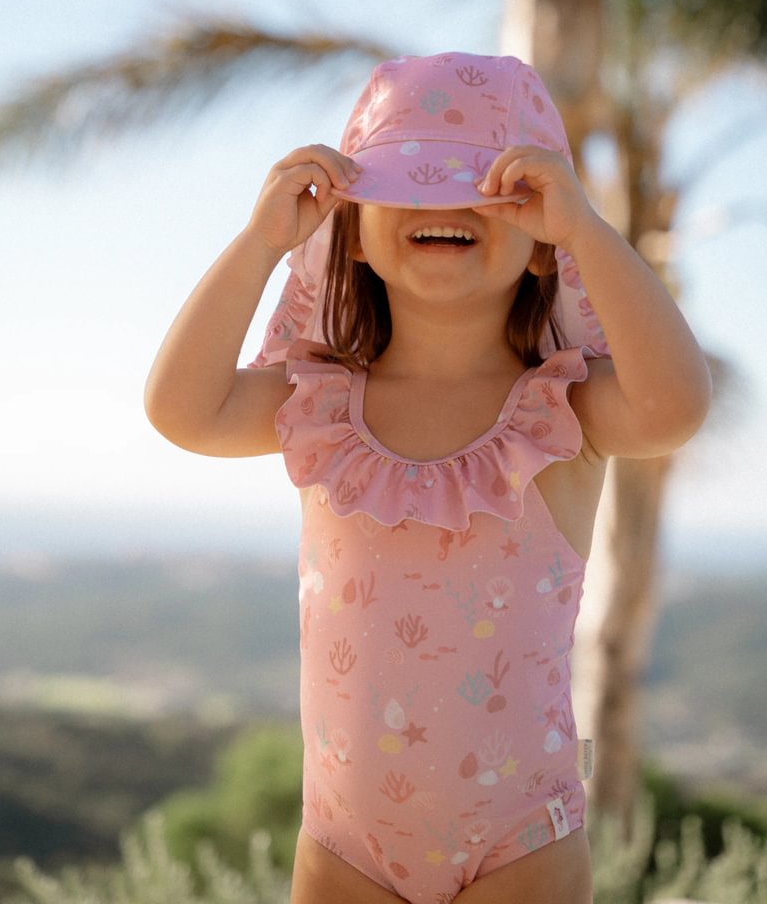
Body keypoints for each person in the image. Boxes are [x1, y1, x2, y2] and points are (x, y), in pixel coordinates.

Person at [145, 53, 711, 904]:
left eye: (486, 189)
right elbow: (182, 410)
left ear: (542, 247)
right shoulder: (321, 403)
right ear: (352, 233)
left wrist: (588, 231)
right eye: (407, 185)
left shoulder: (561, 409)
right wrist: (261, 243)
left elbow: (673, 406)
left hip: (520, 845)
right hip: (343, 845)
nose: (443, 205)